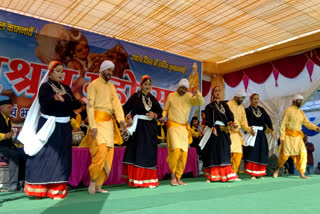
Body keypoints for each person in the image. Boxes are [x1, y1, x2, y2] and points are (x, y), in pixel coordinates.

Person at [23, 61, 89, 199]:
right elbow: (43, 102)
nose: (61, 73)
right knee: (44, 155)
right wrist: (54, 97)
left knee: (62, 158)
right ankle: (39, 189)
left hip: (64, 128)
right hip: (49, 126)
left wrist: (83, 101)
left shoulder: (65, 88)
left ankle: (56, 190)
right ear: (51, 72)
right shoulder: (45, 87)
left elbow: (73, 104)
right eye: (58, 71)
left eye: (62, 71)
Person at [79, 60, 127, 194]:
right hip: (97, 125)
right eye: (108, 70)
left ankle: (99, 184)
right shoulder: (93, 85)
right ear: (101, 70)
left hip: (109, 126)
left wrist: (122, 121)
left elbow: (117, 105)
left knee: (108, 156)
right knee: (100, 153)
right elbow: (90, 105)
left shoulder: (112, 87)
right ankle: (92, 182)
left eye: (112, 71)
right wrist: (92, 125)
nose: (110, 73)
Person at [159, 78, 204, 186]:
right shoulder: (171, 96)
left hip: (183, 128)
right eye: (182, 87)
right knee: (175, 150)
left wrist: (196, 93)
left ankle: (179, 177)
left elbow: (201, 102)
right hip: (173, 126)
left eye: (185, 88)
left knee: (184, 154)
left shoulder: (189, 97)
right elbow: (165, 109)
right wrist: (163, 116)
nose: (183, 90)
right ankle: (173, 175)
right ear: (178, 87)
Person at [121, 75, 163, 188]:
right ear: (141, 85)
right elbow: (124, 108)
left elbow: (160, 112)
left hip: (150, 130)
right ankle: (137, 180)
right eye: (145, 84)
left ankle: (149, 180)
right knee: (138, 152)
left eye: (149, 84)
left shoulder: (153, 99)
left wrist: (154, 115)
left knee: (149, 153)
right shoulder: (135, 97)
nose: (147, 86)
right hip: (138, 128)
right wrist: (129, 117)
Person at [273, 94, 320, 179]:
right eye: (299, 100)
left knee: (303, 153)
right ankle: (277, 168)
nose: (301, 102)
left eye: (301, 100)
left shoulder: (301, 112)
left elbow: (307, 123)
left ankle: (302, 173)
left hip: (298, 137)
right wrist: (282, 137)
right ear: (294, 101)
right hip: (288, 137)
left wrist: (316, 128)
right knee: (284, 157)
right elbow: (283, 125)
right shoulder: (288, 110)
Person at [201, 86, 238, 182]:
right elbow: (208, 119)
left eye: (219, 91)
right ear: (213, 93)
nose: (218, 92)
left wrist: (231, 123)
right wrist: (212, 127)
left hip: (224, 131)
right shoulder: (209, 106)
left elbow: (230, 115)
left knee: (225, 152)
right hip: (215, 131)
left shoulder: (225, 105)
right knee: (214, 153)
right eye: (216, 91)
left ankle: (226, 175)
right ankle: (212, 176)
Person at [243, 93, 276, 179]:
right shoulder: (247, 110)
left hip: (261, 134)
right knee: (253, 153)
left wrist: (272, 130)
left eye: (257, 99)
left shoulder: (261, 110)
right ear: (251, 100)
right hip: (253, 133)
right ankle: (252, 174)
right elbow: (245, 122)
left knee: (262, 152)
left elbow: (267, 119)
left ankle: (260, 173)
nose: (256, 100)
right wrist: (249, 130)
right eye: (254, 99)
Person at [227, 90, 255, 176]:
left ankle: (233, 173)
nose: (243, 100)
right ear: (236, 96)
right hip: (228, 132)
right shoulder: (228, 105)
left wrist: (249, 129)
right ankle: (228, 173)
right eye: (242, 98)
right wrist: (229, 125)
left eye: (244, 98)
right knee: (229, 154)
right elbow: (224, 118)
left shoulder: (242, 108)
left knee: (238, 154)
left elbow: (244, 122)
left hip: (237, 134)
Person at [0, 99, 24, 192]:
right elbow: (5, 136)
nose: (11, 109)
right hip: (1, 148)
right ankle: (13, 185)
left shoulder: (9, 120)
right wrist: (4, 136)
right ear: (1, 108)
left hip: (7, 147)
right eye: (9, 107)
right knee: (13, 155)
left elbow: (10, 136)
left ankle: (21, 182)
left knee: (23, 154)